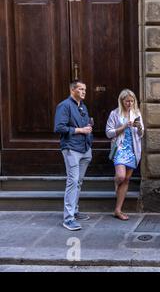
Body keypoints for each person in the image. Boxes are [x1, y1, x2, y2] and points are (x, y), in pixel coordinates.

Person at [54, 81, 93, 231]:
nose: (84, 92)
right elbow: (59, 127)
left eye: (85, 89)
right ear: (72, 90)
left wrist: (88, 134)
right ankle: (68, 219)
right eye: (81, 89)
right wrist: (80, 130)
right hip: (71, 149)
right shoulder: (64, 105)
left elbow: (86, 126)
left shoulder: (83, 106)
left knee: (79, 181)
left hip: (84, 148)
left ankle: (74, 211)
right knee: (72, 181)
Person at [106, 89, 144, 221]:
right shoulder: (114, 114)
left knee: (126, 180)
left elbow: (141, 134)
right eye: (127, 101)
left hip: (133, 150)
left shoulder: (136, 113)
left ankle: (118, 210)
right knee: (121, 176)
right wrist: (123, 127)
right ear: (121, 101)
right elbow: (109, 133)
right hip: (120, 149)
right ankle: (116, 180)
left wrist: (139, 128)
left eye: (132, 101)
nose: (130, 103)